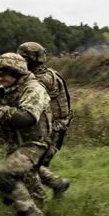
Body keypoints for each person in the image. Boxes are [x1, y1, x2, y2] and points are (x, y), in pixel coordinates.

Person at [0, 53, 52, 216]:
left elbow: (27, 118)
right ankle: (36, 208)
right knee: (11, 192)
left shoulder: (34, 89)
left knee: (4, 176)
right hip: (15, 144)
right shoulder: (7, 88)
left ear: (18, 73)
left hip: (35, 143)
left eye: (4, 75)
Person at [17, 42, 72, 199]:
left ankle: (34, 206)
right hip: (46, 127)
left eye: (22, 59)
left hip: (52, 129)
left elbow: (22, 92)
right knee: (30, 164)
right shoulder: (38, 74)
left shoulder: (43, 78)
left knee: (29, 166)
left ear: (33, 59)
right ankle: (57, 184)